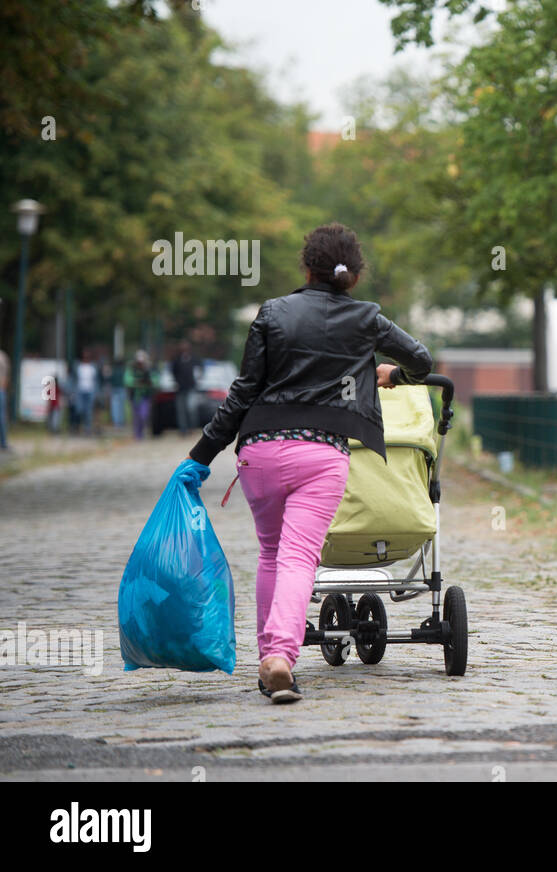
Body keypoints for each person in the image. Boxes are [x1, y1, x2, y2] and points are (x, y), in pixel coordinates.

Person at [188, 222, 433, 704]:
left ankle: (268, 662)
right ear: (354, 275)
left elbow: (244, 391)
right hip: (322, 456)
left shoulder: (273, 313)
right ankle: (281, 655)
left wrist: (201, 454)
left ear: (307, 267)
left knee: (271, 554)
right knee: (300, 556)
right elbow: (421, 360)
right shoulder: (368, 319)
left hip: (258, 451)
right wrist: (390, 374)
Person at [170, 340, 201, 436]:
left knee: (191, 408)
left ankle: (192, 427)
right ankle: (183, 430)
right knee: (181, 411)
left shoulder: (194, 359)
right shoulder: (177, 360)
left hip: (191, 388)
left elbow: (199, 371)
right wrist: (177, 381)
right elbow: (173, 372)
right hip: (180, 388)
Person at [126, 351, 153, 440]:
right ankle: (137, 434)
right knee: (136, 416)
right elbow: (128, 381)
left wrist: (144, 383)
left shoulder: (148, 370)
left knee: (143, 415)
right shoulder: (131, 370)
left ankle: (141, 432)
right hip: (135, 397)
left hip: (145, 396)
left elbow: (154, 380)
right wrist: (140, 383)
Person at [75, 350, 98, 436]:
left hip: (90, 391)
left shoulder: (93, 367)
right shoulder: (78, 366)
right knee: (80, 409)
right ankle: (78, 427)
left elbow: (96, 380)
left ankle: (87, 429)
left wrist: (96, 392)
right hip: (80, 391)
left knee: (88, 411)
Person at [0, 348, 10, 451]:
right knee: (2, 417)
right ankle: (3, 442)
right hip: (1, 389)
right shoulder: (2, 356)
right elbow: (6, 376)